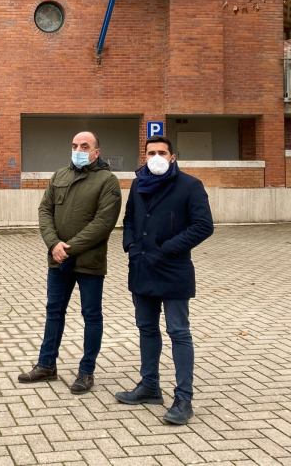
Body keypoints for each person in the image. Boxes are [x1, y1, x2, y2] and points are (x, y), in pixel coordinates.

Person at [115, 135, 214, 425]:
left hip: (173, 269)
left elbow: (203, 226)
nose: (156, 156)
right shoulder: (139, 183)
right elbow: (130, 218)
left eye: (162, 152)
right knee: (146, 329)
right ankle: (149, 386)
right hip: (142, 267)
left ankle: (184, 398)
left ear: (172, 156)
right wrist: (131, 246)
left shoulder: (190, 185)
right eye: (151, 152)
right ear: (144, 156)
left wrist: (168, 248)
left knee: (178, 332)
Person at [18, 131, 121, 394]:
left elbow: (103, 223)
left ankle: (86, 372)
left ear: (96, 152)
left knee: (91, 316)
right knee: (54, 312)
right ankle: (46, 365)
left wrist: (69, 247)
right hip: (58, 260)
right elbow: (45, 211)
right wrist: (53, 244)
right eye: (75, 145)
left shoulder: (107, 181)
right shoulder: (59, 176)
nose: (78, 149)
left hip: (89, 261)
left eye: (85, 146)